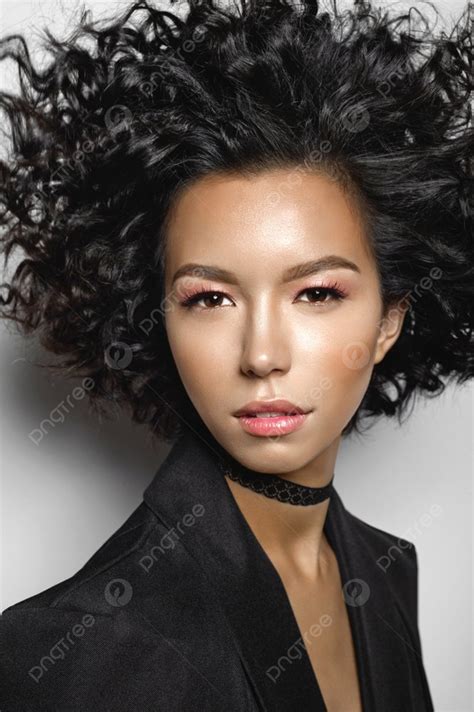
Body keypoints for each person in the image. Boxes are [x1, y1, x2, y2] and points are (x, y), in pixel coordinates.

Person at [0, 0, 472, 709]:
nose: (261, 355)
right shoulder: (89, 648)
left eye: (315, 293)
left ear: (389, 320)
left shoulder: (384, 569)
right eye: (209, 300)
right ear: (154, 318)